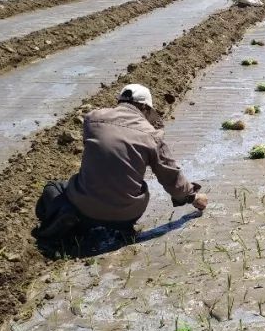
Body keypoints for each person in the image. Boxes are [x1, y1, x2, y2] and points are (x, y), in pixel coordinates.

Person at [35, 84, 208, 241]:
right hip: (127, 212)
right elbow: (170, 175)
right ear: (145, 108)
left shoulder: (92, 120)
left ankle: (68, 220)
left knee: (53, 188)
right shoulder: (152, 135)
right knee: (138, 186)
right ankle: (122, 227)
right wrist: (192, 196)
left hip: (83, 206)